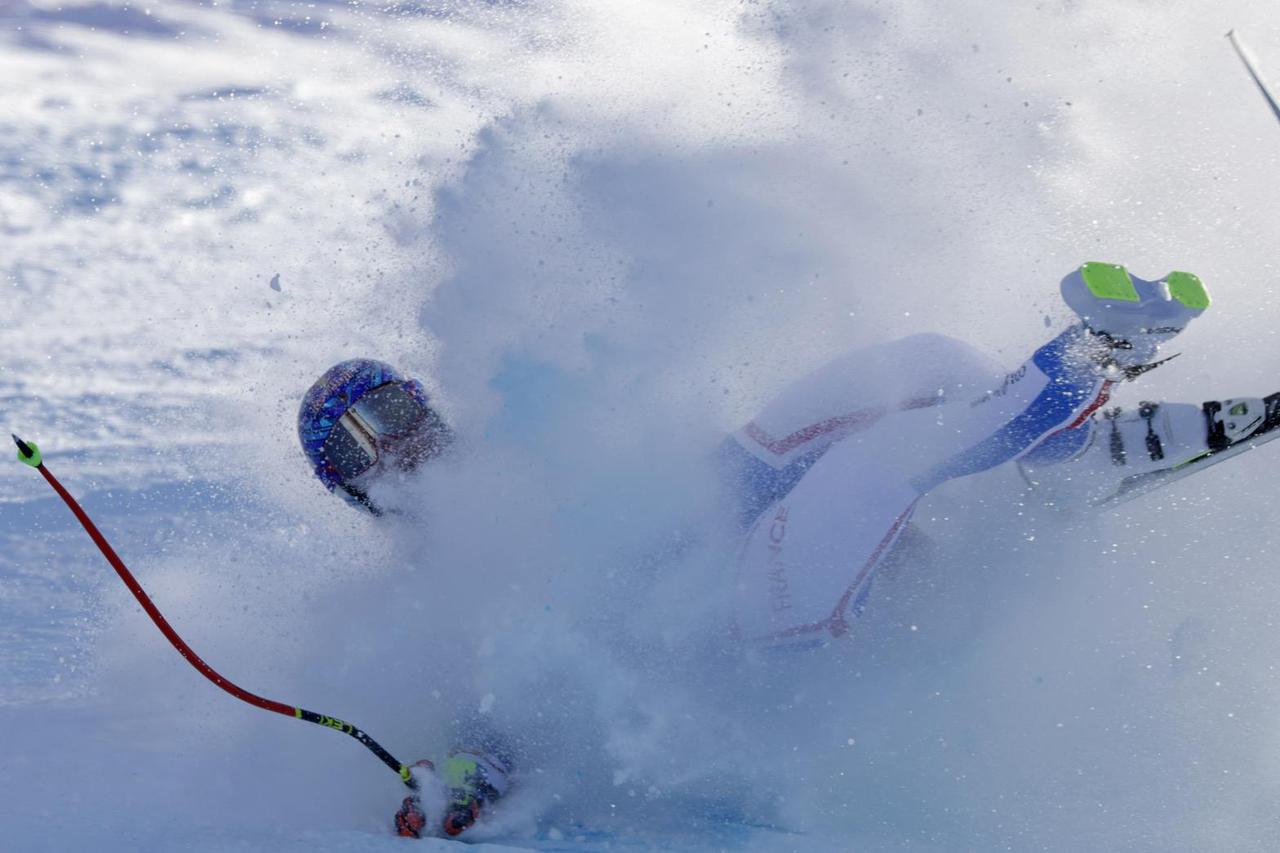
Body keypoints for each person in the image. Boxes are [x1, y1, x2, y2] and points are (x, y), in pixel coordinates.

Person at [297, 261, 1274, 834]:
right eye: (357, 445)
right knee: (875, 467)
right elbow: (497, 713)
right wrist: (461, 779)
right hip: (730, 633)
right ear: (349, 488)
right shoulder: (436, 580)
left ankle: (1071, 461)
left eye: (387, 409)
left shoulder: (521, 464)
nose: (391, 445)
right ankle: (1087, 359)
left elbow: (653, 496)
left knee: (917, 362)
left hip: (720, 517)